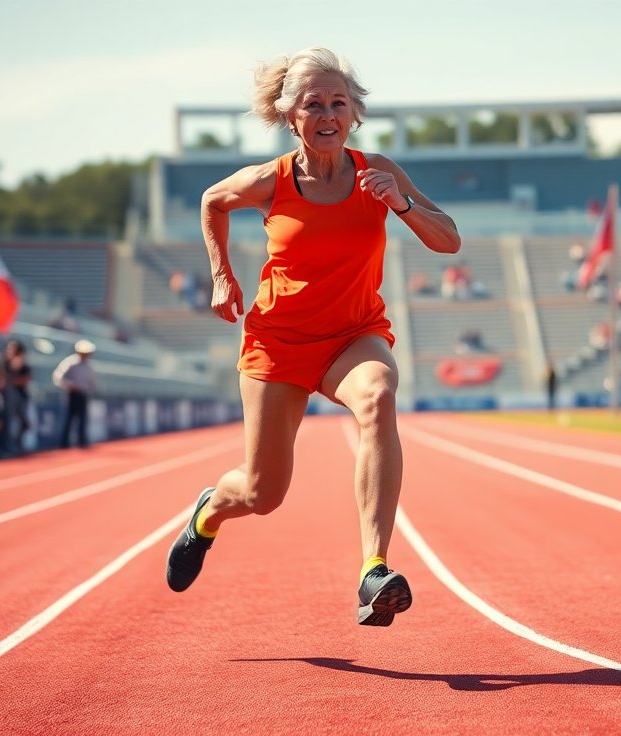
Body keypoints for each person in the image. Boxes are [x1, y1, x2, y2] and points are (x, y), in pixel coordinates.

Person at [163, 48, 460, 628]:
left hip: (354, 334)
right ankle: (208, 513)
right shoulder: (267, 182)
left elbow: (448, 240)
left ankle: (374, 569)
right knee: (261, 493)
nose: (328, 114)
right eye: (313, 104)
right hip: (279, 343)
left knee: (378, 397)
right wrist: (222, 275)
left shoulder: (378, 170)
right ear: (288, 115)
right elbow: (211, 202)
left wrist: (398, 203)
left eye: (339, 103)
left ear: (355, 113)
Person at [53, 339, 98, 448]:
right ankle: (64, 443)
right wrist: (68, 386)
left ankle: (82, 442)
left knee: (83, 419)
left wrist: (90, 391)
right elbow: (58, 376)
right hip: (72, 394)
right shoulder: (71, 362)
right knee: (69, 418)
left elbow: (92, 382)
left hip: (83, 395)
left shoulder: (89, 366)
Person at [1, 339, 33, 454]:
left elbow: (26, 379)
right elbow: (2, 380)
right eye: (10, 348)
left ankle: (17, 444)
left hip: (21, 396)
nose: (11, 351)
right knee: (7, 422)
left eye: (14, 349)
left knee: (25, 423)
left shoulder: (23, 363)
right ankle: (7, 447)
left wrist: (12, 381)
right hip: (8, 397)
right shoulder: (4, 363)